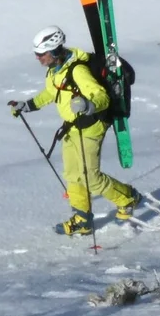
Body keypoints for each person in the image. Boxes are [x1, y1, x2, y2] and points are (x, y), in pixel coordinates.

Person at [9, 26, 140, 235]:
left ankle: (128, 198)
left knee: (90, 177)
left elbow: (101, 97)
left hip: (91, 126)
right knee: (72, 175)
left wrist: (89, 105)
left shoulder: (78, 70)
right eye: (36, 54)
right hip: (72, 127)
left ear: (53, 51)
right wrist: (27, 105)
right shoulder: (55, 71)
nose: (38, 58)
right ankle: (82, 219)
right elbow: (52, 93)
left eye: (41, 54)